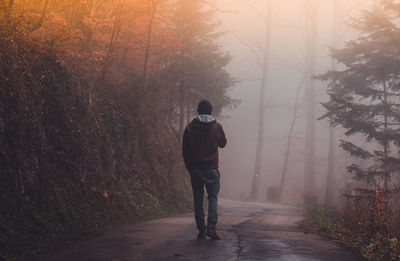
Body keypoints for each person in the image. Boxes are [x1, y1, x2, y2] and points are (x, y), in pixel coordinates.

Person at [182, 99, 227, 240]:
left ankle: (201, 229)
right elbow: (223, 144)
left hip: (195, 169)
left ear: (198, 110)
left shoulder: (189, 127)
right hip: (212, 169)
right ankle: (211, 228)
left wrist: (190, 168)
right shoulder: (216, 127)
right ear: (210, 111)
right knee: (212, 198)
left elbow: (185, 151)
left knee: (198, 199)